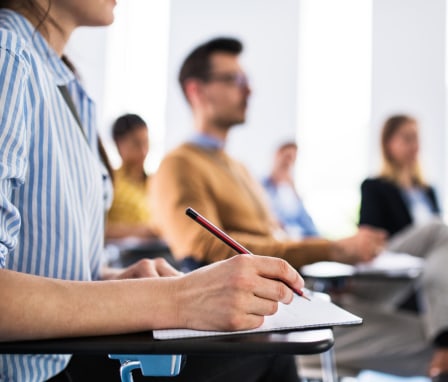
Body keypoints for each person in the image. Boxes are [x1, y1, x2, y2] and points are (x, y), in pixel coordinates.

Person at [0, 3, 304, 381]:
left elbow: (36, 262)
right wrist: (177, 299)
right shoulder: (7, 57)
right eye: (232, 80)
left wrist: (113, 281)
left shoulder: (59, 82)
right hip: (43, 369)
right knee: (269, 352)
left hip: (63, 355)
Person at [151, 37, 385, 272]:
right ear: (196, 91)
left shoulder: (238, 166)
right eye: (233, 79)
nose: (248, 89)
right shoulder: (179, 164)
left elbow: (274, 236)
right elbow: (202, 248)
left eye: (246, 79)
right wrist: (330, 250)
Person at [357, 114, 448, 378]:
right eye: (407, 138)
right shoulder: (375, 187)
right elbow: (369, 236)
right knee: (438, 229)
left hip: (427, 274)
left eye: (416, 139)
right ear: (388, 144)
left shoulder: (427, 190)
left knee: (441, 241)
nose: (414, 146)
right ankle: (444, 336)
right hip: (390, 259)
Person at [106, 113, 159, 240]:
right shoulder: (110, 181)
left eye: (146, 143)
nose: (143, 151)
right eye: (136, 144)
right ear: (119, 144)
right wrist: (142, 231)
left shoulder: (155, 183)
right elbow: (100, 229)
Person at [262, 141, 318, 239]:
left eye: (293, 159)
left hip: (297, 239)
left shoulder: (292, 192)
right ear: (277, 155)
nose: (288, 162)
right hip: (273, 237)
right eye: (287, 156)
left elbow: (310, 227)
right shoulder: (259, 186)